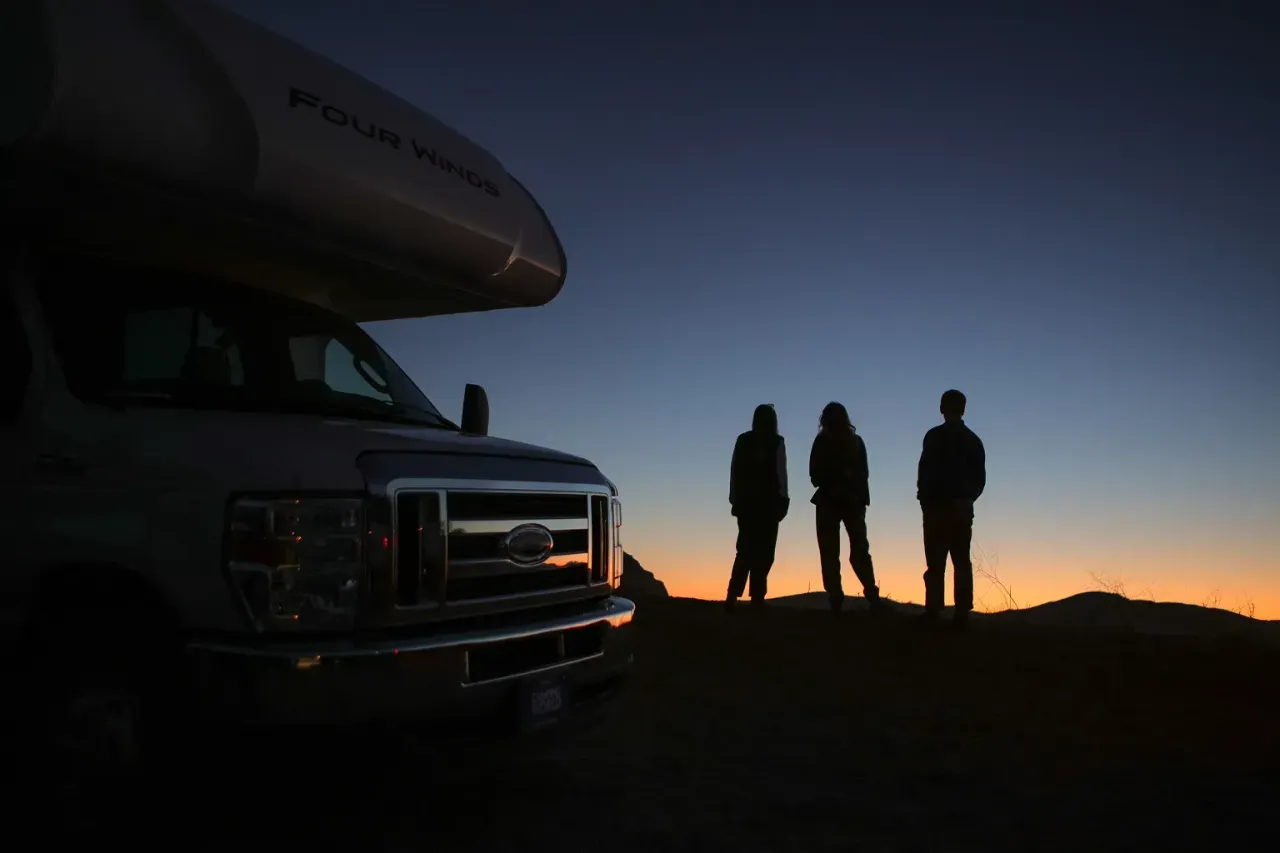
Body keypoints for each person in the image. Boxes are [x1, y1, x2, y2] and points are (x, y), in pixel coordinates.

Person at [916, 389, 987, 628]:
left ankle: (937, 610)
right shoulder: (972, 440)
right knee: (958, 560)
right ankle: (959, 612)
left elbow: (924, 470)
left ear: (942, 408)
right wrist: (966, 500)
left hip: (942, 507)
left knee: (939, 561)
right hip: (952, 507)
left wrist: (926, 498)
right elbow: (980, 480)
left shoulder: (935, 437)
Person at [809, 402, 881, 615]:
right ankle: (869, 596)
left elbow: (815, 475)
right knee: (856, 551)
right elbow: (862, 475)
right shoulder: (853, 442)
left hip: (840, 502)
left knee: (832, 553)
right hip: (849, 502)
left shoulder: (826, 442)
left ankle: (838, 597)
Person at [726, 404, 790, 612]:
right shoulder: (776, 442)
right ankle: (756, 598)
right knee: (764, 552)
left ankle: (733, 596)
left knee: (745, 550)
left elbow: (735, 471)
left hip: (748, 504)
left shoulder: (743, 441)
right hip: (767, 505)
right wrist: (783, 500)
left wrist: (735, 499)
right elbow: (782, 474)